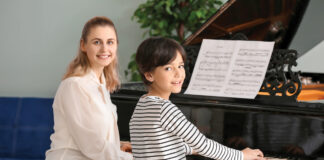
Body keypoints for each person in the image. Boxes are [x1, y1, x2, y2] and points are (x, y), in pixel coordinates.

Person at [129, 37, 266, 160]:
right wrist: (242, 155)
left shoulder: (142, 104)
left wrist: (193, 150)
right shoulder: (165, 109)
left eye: (180, 66)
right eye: (168, 68)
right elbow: (203, 145)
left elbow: (162, 146)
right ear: (149, 75)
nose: (179, 74)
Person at [45, 16, 133, 160]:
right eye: (97, 42)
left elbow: (97, 137)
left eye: (110, 42)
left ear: (116, 45)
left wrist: (120, 145)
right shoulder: (74, 85)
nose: (105, 49)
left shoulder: (101, 85)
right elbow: (91, 145)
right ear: (83, 45)